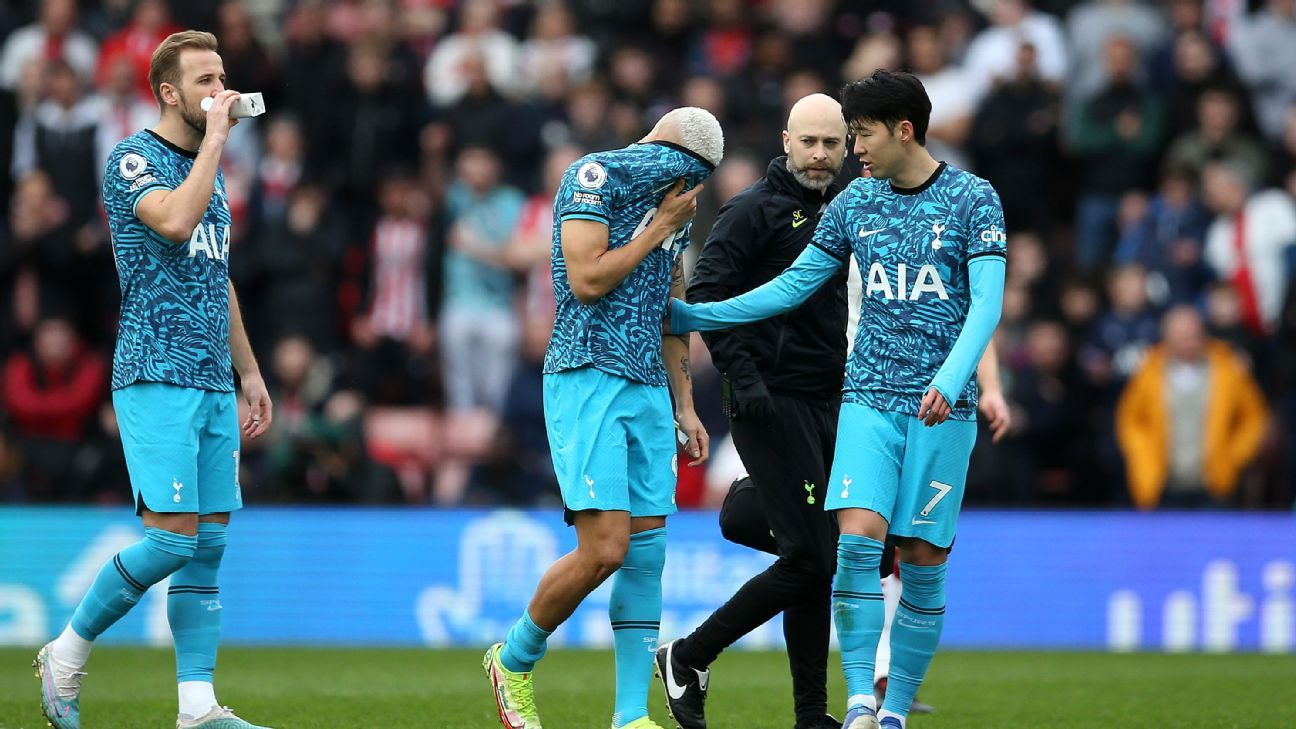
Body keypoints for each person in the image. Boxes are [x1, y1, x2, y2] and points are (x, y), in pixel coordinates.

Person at [668, 70, 1006, 729]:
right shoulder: (855, 205)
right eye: (831, 138)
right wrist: (687, 315)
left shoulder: (973, 199)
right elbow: (790, 287)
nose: (849, 150)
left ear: (903, 130)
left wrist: (958, 376)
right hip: (863, 401)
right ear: (789, 140)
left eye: (857, 135)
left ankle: (894, 710)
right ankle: (854, 704)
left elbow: (986, 303)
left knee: (918, 560)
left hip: (940, 409)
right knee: (844, 549)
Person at [33, 31, 273, 729]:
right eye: (204, 79)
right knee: (170, 538)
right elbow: (172, 222)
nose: (219, 90)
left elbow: (214, 272)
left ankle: (196, 706)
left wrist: (250, 371)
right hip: (154, 369)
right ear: (167, 92)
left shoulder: (210, 167)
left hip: (209, 378)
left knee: (210, 543)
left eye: (222, 75)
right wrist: (217, 143)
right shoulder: (132, 159)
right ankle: (67, 651)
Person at [483, 107, 723, 729]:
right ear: (660, 145)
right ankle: (512, 658)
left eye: (698, 175)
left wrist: (686, 403)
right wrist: (658, 226)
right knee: (606, 549)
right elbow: (587, 280)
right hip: (587, 374)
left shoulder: (677, 205)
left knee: (646, 554)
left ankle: (628, 716)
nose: (686, 180)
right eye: (685, 166)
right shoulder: (595, 176)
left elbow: (670, 308)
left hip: (647, 386)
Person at [655, 93, 851, 729]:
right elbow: (706, 291)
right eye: (810, 142)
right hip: (771, 400)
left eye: (831, 143)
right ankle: (688, 655)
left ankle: (811, 716)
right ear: (786, 141)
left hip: (828, 400)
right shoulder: (753, 212)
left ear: (847, 148)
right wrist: (746, 377)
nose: (820, 155)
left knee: (818, 557)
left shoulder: (846, 211)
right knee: (813, 558)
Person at [1115, 305, 1269, 509]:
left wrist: (1234, 456)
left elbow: (1253, 417)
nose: (1188, 343)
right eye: (1180, 337)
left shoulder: (1227, 366)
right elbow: (1130, 420)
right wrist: (1142, 457)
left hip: (1214, 486)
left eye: (1193, 336)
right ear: (1166, 337)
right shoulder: (1148, 370)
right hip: (1161, 487)